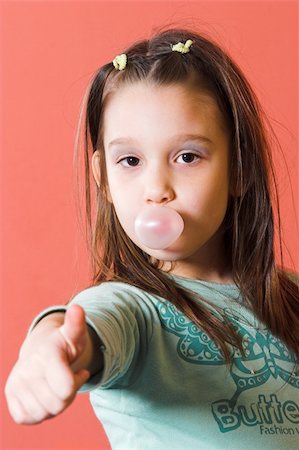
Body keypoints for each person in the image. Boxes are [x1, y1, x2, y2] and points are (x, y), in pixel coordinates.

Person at [5, 27, 299, 449]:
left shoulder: (289, 299)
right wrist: (47, 346)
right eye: (130, 160)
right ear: (102, 177)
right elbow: (86, 328)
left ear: (238, 168)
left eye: (186, 157)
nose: (156, 188)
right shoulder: (134, 308)